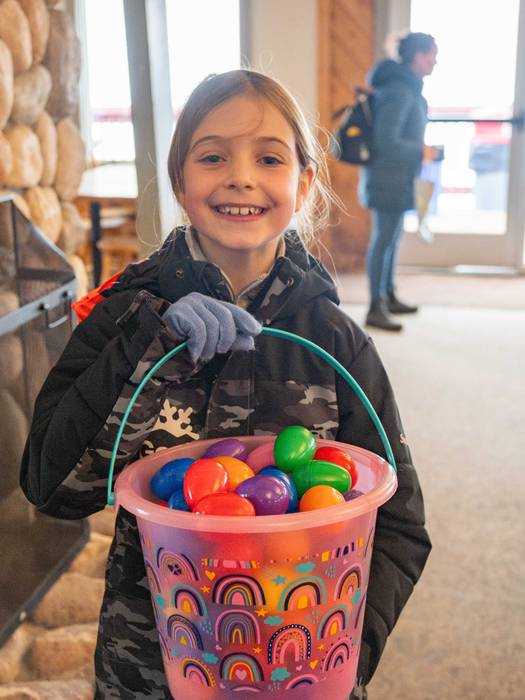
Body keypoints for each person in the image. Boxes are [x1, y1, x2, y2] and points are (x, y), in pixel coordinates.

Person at [20, 69, 431, 699]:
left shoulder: (337, 344)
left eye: (269, 157)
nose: (241, 176)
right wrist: (150, 343)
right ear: (182, 182)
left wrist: (340, 660)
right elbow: (56, 489)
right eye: (213, 156)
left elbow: (399, 525)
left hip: (301, 670)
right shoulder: (127, 315)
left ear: (303, 183)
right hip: (151, 672)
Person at [361, 32, 439, 331]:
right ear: (416, 56)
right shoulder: (399, 90)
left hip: (397, 176)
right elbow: (386, 140)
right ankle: (374, 307)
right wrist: (421, 150)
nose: (435, 61)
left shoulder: (406, 88)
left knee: (391, 237)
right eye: (432, 54)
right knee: (383, 240)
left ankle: (387, 296)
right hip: (387, 177)